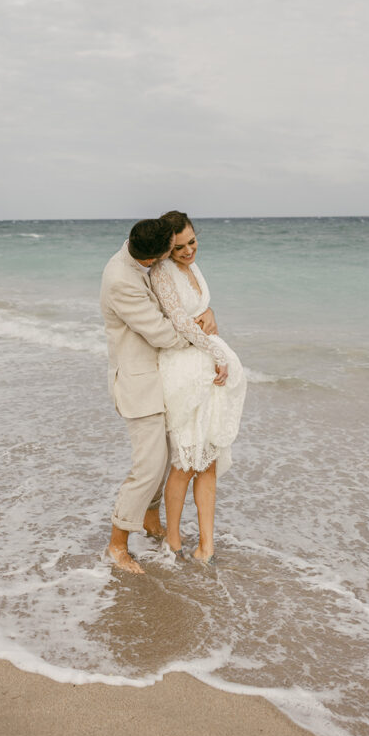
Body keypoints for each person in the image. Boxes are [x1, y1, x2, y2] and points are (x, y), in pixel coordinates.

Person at [100, 218, 218, 574]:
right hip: (138, 384)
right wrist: (203, 339)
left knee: (166, 457)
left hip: (164, 377)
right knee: (149, 465)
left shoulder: (144, 257)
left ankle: (151, 519)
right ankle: (117, 546)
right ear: (152, 258)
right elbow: (161, 332)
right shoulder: (121, 280)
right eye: (168, 253)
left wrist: (204, 312)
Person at [151, 211, 246, 565]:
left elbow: (199, 311)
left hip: (206, 363)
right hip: (183, 369)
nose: (189, 251)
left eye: (192, 241)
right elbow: (179, 321)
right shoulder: (161, 273)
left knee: (208, 460)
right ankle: (172, 541)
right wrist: (215, 351)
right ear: (166, 248)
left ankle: (207, 545)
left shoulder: (194, 268)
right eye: (179, 247)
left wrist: (212, 316)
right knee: (185, 462)